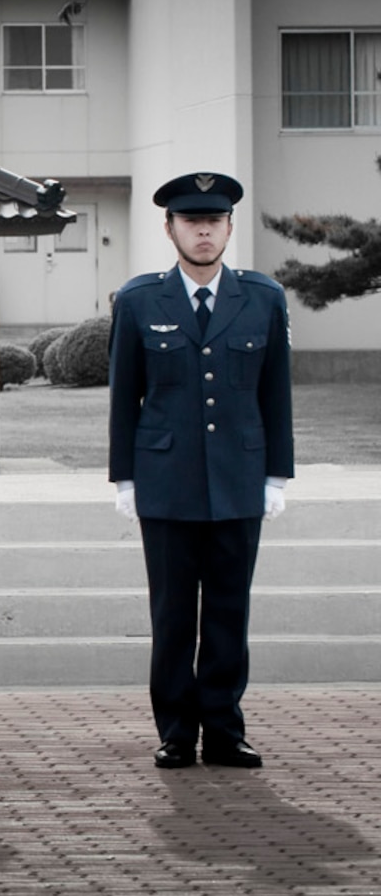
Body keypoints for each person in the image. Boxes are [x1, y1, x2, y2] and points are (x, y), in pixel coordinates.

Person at [108, 172, 293, 770]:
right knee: (172, 615)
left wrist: (276, 477)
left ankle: (224, 730)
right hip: (165, 482)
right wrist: (125, 479)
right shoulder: (138, 300)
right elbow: (123, 396)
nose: (204, 230)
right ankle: (176, 733)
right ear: (170, 228)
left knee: (228, 612)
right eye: (191, 221)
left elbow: (276, 394)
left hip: (239, 479)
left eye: (214, 220)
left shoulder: (263, 298)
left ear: (230, 227)